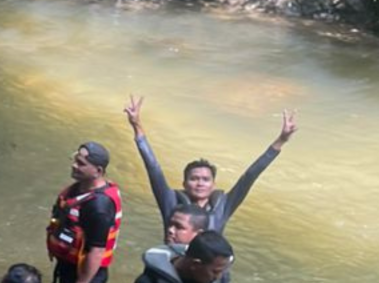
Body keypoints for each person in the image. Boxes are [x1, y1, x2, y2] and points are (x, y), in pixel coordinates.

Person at [124, 95, 298, 237]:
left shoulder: (223, 205)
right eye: (194, 179)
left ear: (213, 185)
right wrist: (137, 126)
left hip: (207, 273)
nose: (200, 183)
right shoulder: (171, 201)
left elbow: (250, 175)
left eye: (205, 179)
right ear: (184, 184)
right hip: (174, 268)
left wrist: (281, 140)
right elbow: (153, 168)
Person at [46, 142, 123, 283]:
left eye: (81, 164)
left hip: (86, 274)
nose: (74, 165)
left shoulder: (99, 207)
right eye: (75, 160)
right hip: (71, 266)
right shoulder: (81, 189)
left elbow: (97, 250)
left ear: (98, 171)